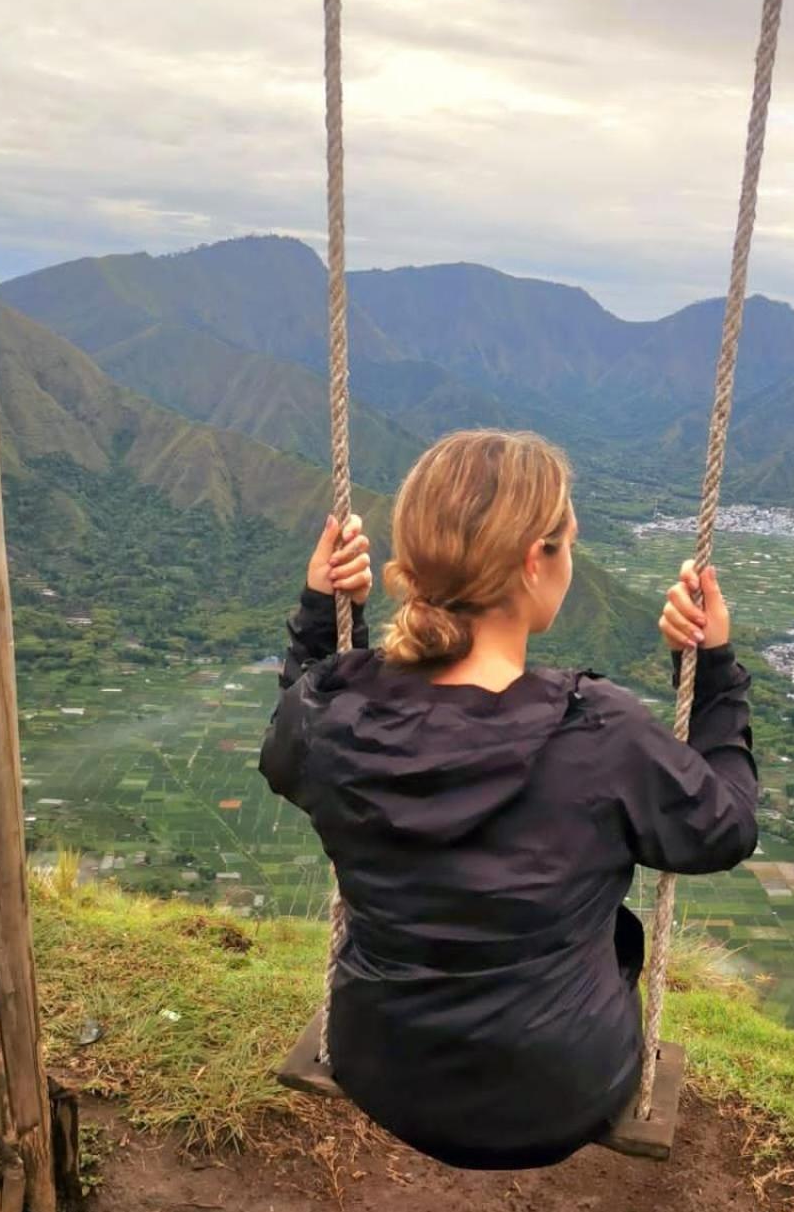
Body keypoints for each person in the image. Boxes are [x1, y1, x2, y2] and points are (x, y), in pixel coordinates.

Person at [260, 430, 758, 1168]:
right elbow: (727, 826)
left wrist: (324, 613)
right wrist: (712, 671)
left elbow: (291, 729)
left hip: (382, 1069)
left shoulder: (334, 716)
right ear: (535, 561)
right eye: (569, 543)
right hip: (560, 1093)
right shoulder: (601, 734)